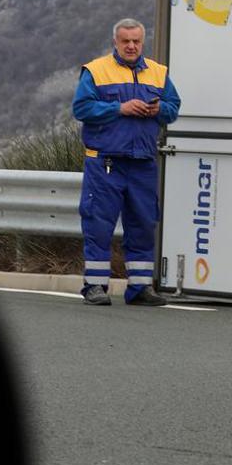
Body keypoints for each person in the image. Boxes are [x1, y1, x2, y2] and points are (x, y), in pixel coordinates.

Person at [71, 19, 181, 306]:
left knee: (144, 224)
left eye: (136, 41)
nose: (131, 46)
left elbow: (173, 107)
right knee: (98, 224)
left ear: (142, 42)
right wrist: (119, 108)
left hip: (142, 162)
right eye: (125, 41)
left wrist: (159, 109)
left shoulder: (158, 72)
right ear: (115, 42)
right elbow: (81, 108)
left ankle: (140, 288)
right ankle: (95, 287)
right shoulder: (96, 70)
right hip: (105, 162)